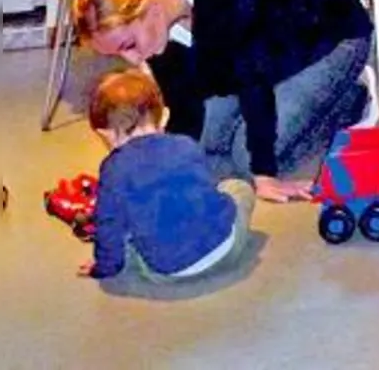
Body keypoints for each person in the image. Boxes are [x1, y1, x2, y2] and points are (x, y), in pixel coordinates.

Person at [73, 0, 373, 204]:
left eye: (129, 45)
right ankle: (308, 105)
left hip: (332, 39)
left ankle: (349, 100)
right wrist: (156, 170)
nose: (132, 59)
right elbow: (181, 104)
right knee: (206, 140)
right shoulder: (158, 28)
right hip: (269, 64)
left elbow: (253, 78)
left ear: (150, 10)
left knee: (247, 160)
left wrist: (264, 174)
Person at [81, 70, 256, 284]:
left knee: (127, 236)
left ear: (105, 133)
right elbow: (207, 188)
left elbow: (108, 226)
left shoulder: (113, 170)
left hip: (167, 272)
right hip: (227, 248)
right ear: (164, 116)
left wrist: (103, 269)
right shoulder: (186, 144)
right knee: (237, 186)